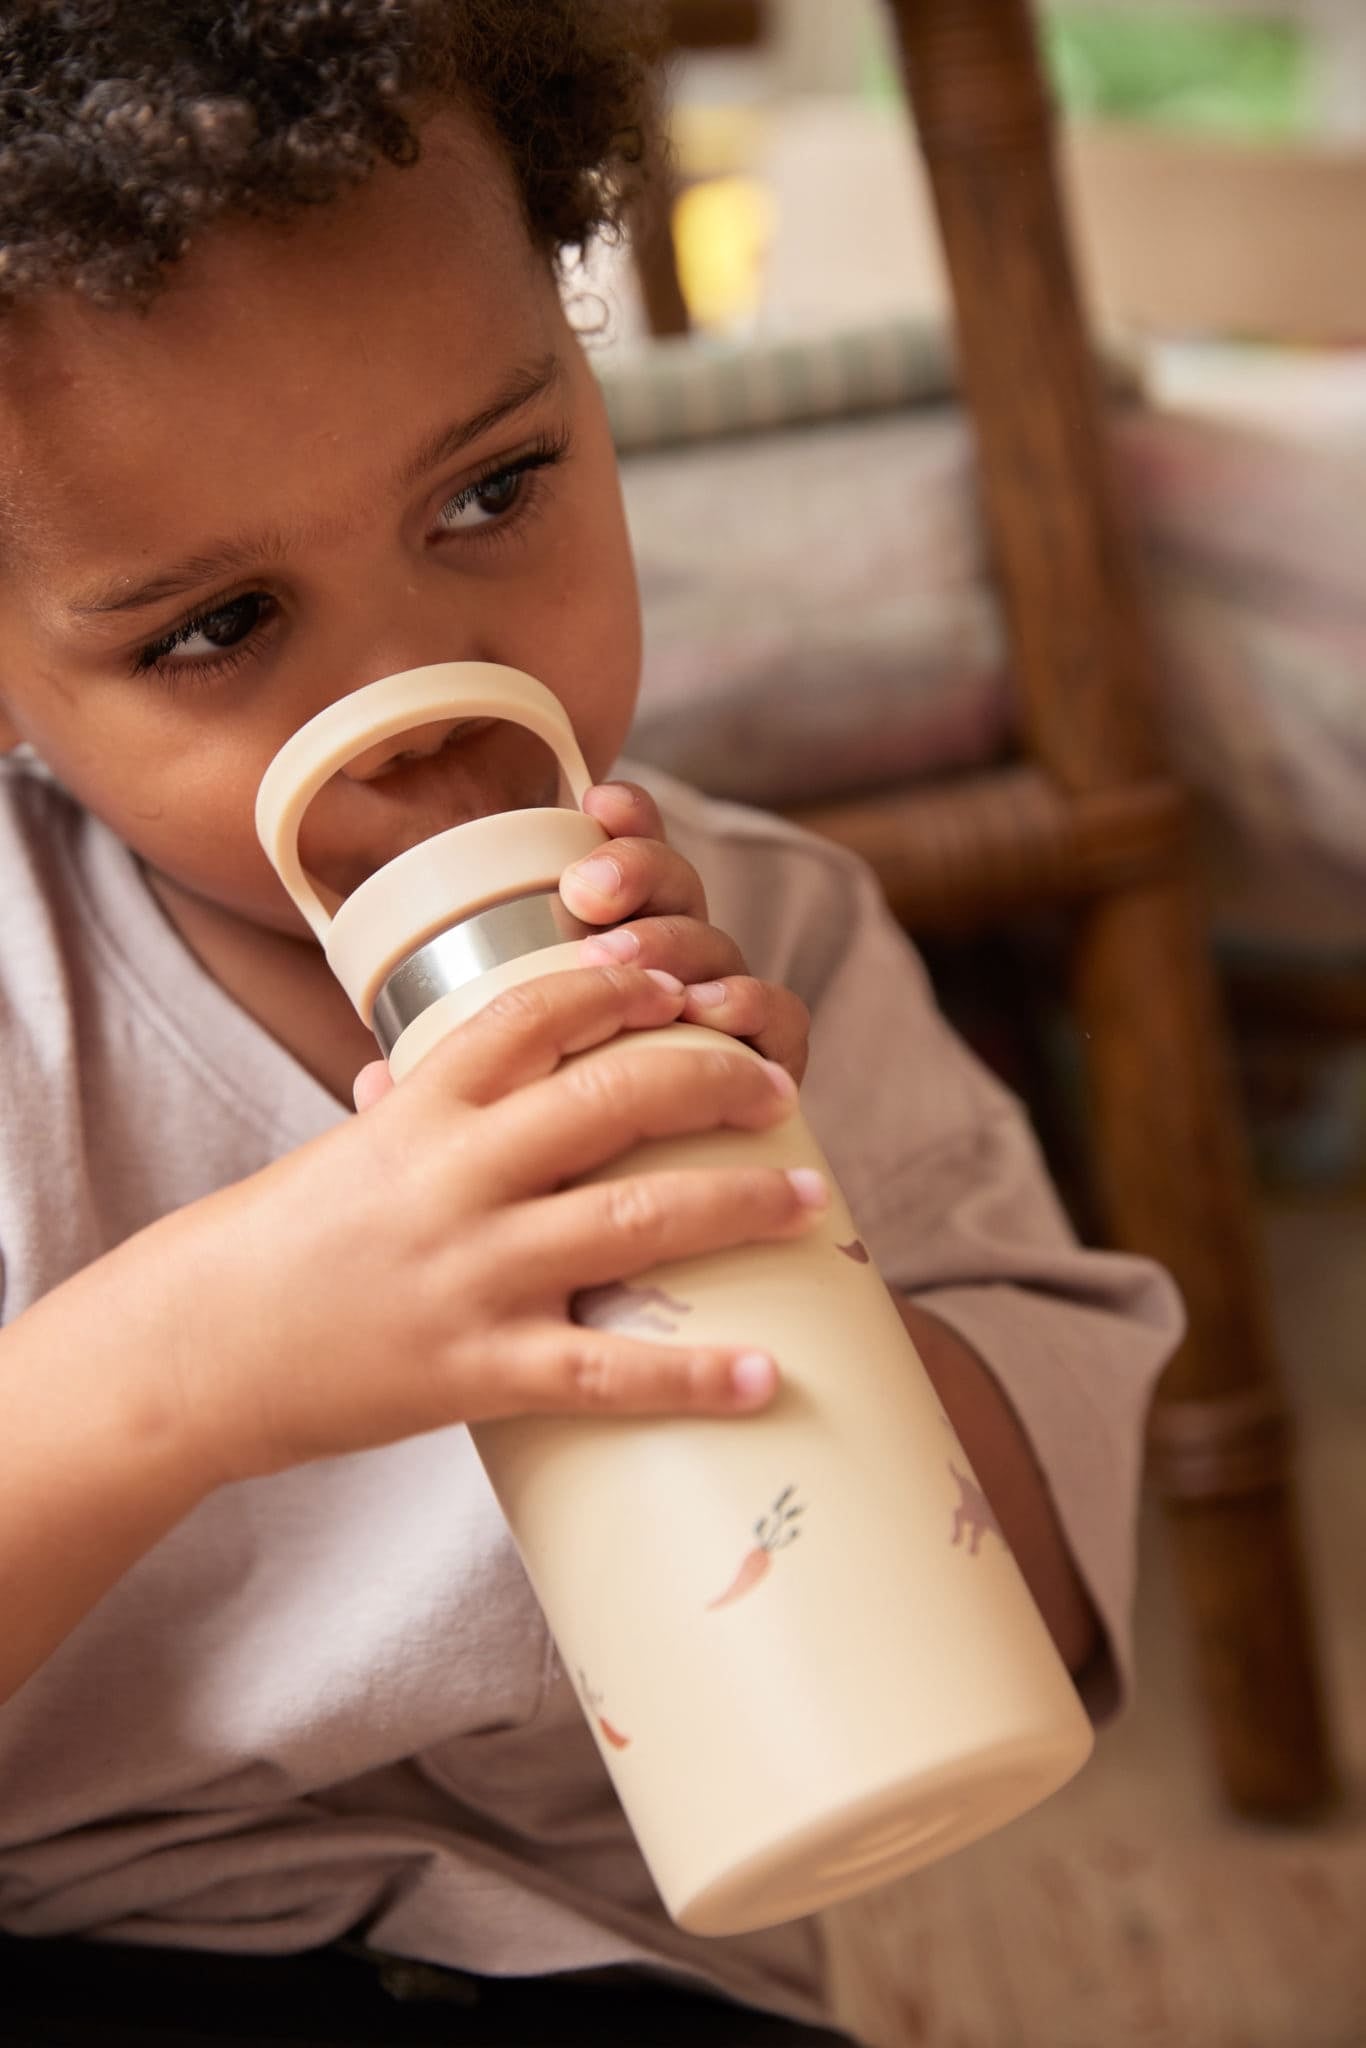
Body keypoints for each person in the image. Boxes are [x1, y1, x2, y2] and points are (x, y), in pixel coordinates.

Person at [0, 3, 1181, 2042]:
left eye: (492, 489)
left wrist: (764, 1209)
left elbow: (1045, 1599)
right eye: (215, 625)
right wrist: (186, 1362)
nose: (429, 686)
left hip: (579, 1953)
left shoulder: (779, 937)